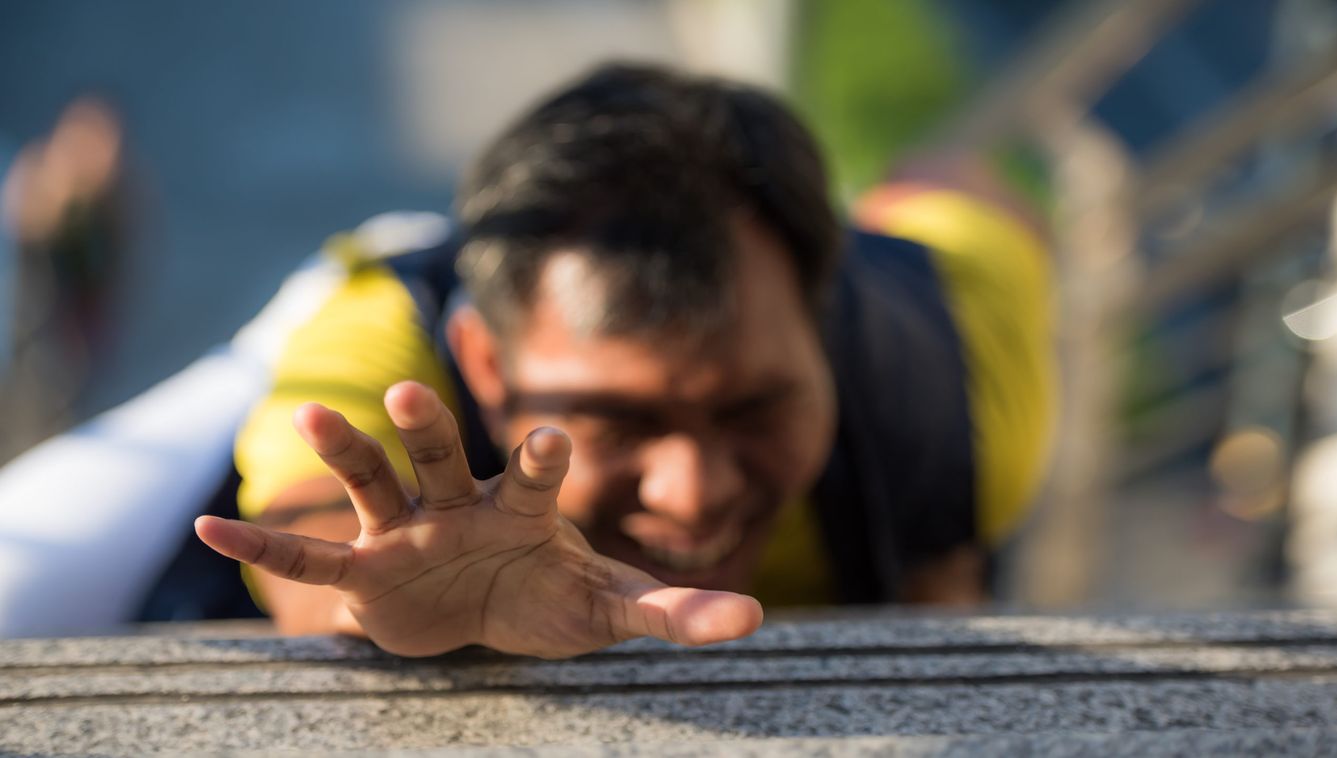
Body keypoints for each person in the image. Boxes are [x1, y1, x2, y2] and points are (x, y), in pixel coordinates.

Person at [196, 63, 1055, 659]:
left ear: (821, 326)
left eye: (755, 407)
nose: (691, 493)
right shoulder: (376, 349)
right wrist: (383, 597)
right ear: (483, 366)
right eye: (613, 423)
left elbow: (965, 189)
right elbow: (320, 535)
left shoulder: (959, 373)